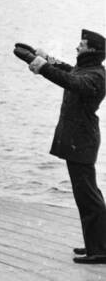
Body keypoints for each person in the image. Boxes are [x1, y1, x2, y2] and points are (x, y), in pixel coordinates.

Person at [26, 29, 106, 263]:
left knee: (88, 196)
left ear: (91, 50)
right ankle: (98, 244)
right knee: (87, 194)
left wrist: (42, 67)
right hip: (80, 140)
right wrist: (44, 57)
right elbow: (69, 70)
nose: (77, 47)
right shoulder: (89, 70)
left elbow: (70, 80)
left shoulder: (96, 76)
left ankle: (100, 250)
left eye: (81, 45)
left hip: (82, 141)